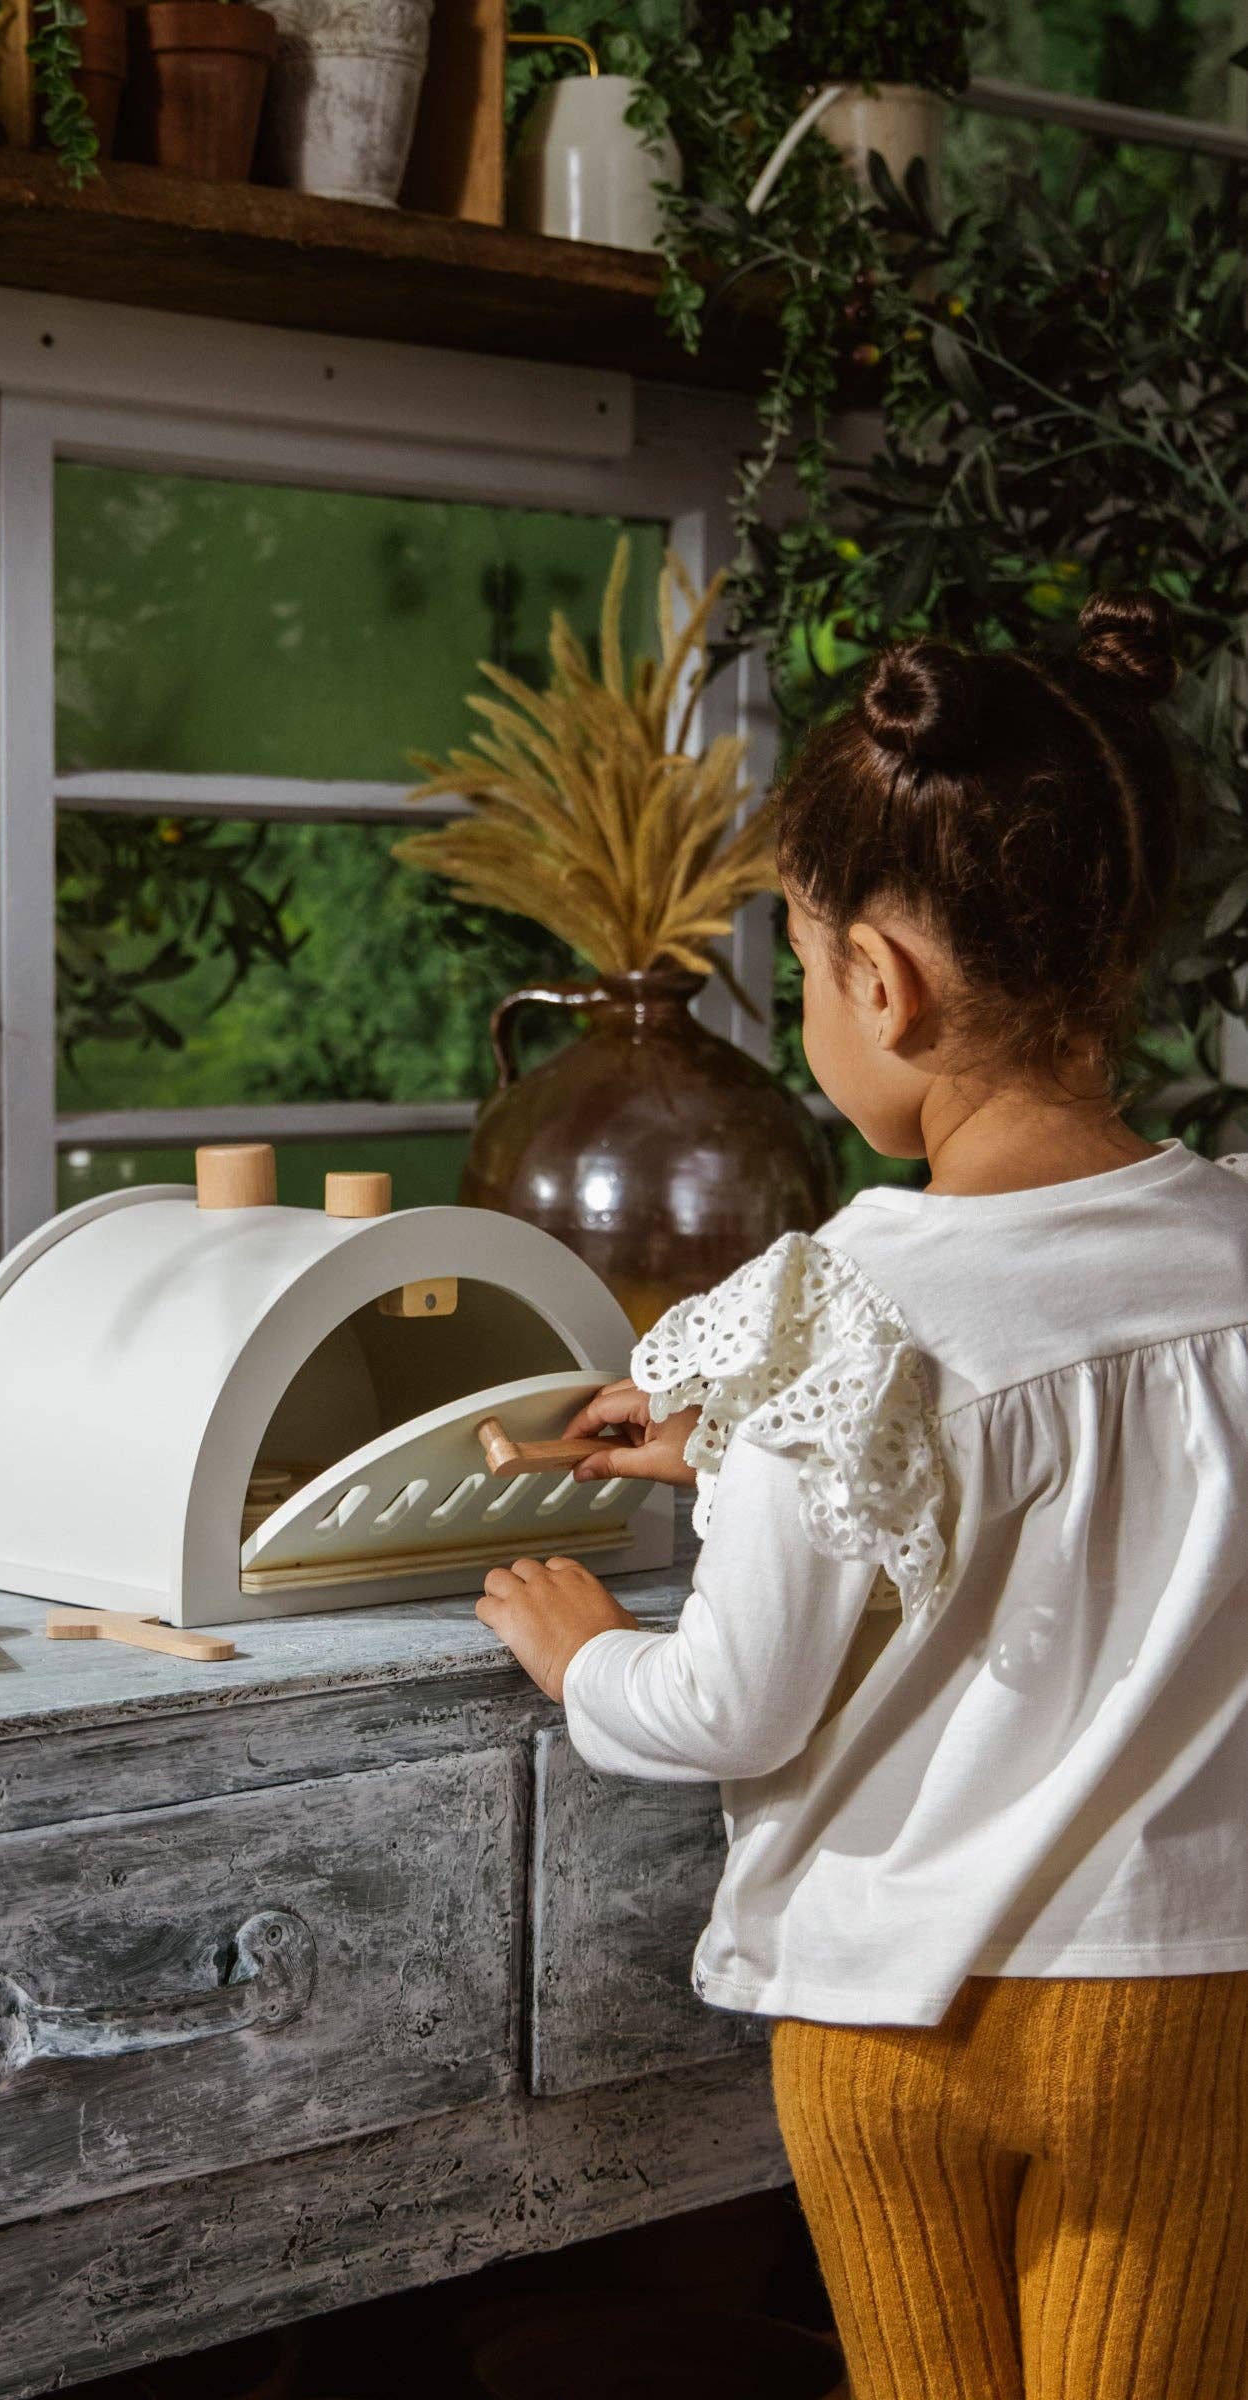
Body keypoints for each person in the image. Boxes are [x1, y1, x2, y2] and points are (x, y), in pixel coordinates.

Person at [476, 590, 1248, 2400]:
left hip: (885, 2028)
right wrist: (756, 1437)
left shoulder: (831, 1311)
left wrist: (586, 1654)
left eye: (801, 963)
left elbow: (733, 1701)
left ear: (877, 983)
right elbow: (1097, 1491)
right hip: (1184, 1997)